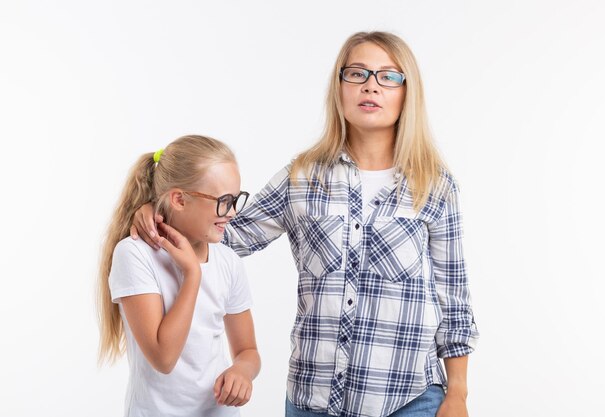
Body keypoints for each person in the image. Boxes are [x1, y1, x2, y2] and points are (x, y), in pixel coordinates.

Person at [133, 31, 479, 417]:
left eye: (388, 76)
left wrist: (458, 394)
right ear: (340, 86)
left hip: (408, 398)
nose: (371, 86)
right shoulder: (301, 178)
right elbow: (223, 234)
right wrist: (158, 211)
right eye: (358, 74)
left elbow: (455, 298)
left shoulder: (434, 185)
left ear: (406, 91)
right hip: (314, 398)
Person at [97, 135, 261, 417]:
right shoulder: (135, 256)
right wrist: (192, 275)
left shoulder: (228, 261)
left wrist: (242, 371)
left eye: (235, 200)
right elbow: (164, 357)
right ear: (179, 199)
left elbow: (247, 350)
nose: (232, 212)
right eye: (223, 201)